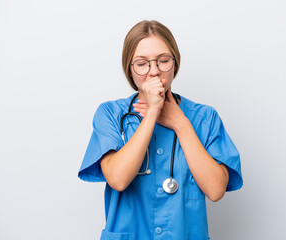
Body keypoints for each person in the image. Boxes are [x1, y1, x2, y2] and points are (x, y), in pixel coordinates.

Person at [78, 20, 243, 240]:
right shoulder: (110, 114)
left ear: (175, 62)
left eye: (163, 61)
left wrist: (181, 124)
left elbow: (215, 190)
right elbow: (117, 179)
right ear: (130, 68)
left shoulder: (204, 118)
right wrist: (152, 114)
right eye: (142, 63)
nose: (154, 71)